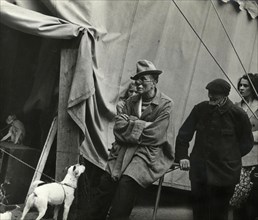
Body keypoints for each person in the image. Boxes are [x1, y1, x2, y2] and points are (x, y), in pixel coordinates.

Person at [89, 60, 174, 220]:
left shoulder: (166, 104)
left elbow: (156, 135)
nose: (138, 83)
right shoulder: (130, 101)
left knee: (126, 184)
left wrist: (132, 123)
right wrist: (143, 124)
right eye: (137, 79)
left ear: (155, 81)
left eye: (143, 79)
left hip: (147, 153)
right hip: (122, 150)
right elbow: (118, 128)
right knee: (106, 185)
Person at [175, 78, 254, 220]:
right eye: (210, 93)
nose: (211, 96)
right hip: (200, 173)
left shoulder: (238, 114)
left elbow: (247, 143)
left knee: (219, 214)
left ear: (225, 95)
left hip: (225, 175)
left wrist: (229, 158)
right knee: (199, 213)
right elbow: (183, 135)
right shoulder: (200, 109)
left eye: (215, 94)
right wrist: (183, 156)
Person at [233, 73, 258, 220]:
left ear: (253, 87)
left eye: (245, 85)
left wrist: (248, 137)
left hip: (256, 159)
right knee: (237, 200)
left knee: (253, 201)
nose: (241, 88)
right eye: (240, 85)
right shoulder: (236, 107)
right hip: (238, 157)